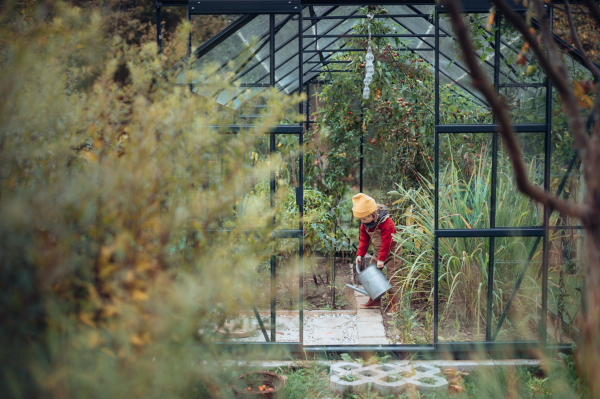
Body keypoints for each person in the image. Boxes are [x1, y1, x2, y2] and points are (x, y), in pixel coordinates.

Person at [352, 193, 401, 315]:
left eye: (364, 218)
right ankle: (375, 301)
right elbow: (364, 240)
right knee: (371, 275)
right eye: (361, 219)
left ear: (373, 214)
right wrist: (360, 254)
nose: (362, 222)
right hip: (379, 253)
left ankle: (395, 305)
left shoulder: (386, 223)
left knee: (392, 277)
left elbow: (387, 242)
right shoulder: (366, 224)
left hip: (392, 252)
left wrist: (382, 259)